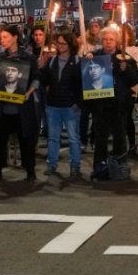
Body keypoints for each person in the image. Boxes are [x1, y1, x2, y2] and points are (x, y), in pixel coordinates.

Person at [0, 25, 40, 182]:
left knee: (26, 139)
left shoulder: (28, 59)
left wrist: (29, 93)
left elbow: (36, 78)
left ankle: (30, 170)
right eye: (1, 37)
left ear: (15, 37)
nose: (1, 40)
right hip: (1, 107)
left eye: (5, 37)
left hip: (21, 107)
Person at [86, 27, 138, 178]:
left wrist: (126, 69)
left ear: (116, 41)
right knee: (100, 138)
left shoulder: (124, 57)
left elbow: (135, 80)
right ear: (101, 41)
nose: (108, 42)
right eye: (105, 39)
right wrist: (86, 60)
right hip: (100, 104)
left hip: (119, 104)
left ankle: (119, 168)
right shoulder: (94, 56)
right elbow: (83, 75)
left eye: (111, 39)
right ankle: (99, 168)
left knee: (120, 137)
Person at [39, 31, 83, 179]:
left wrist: (78, 102)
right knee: (53, 137)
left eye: (63, 43)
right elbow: (44, 81)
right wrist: (42, 67)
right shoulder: (52, 61)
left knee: (73, 138)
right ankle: (51, 164)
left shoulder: (77, 62)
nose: (60, 46)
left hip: (70, 106)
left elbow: (82, 84)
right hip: (53, 105)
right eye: (58, 43)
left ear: (70, 45)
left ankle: (75, 165)